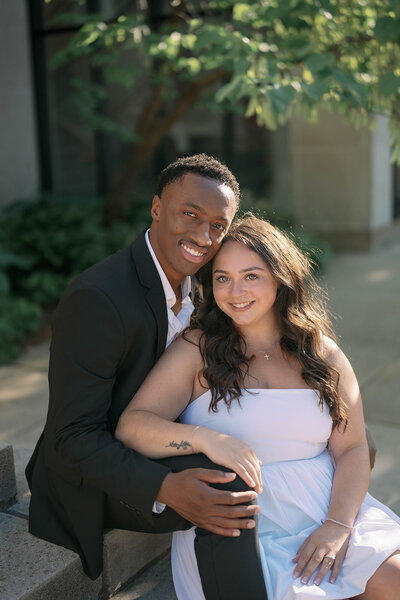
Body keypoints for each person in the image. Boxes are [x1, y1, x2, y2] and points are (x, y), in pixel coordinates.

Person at [115, 214, 400, 599]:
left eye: (251, 275)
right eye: (222, 278)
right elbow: (132, 425)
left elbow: (351, 448)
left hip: (330, 509)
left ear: (280, 278)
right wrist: (205, 439)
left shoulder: (320, 352)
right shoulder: (196, 350)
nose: (235, 291)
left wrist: (337, 525)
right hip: (245, 532)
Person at [25, 155, 268, 599]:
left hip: (160, 438)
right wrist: (164, 487)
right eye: (190, 214)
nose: (203, 235)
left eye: (218, 224)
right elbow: (72, 435)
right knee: (227, 492)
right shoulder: (98, 299)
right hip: (95, 472)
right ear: (157, 208)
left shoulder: (201, 285)